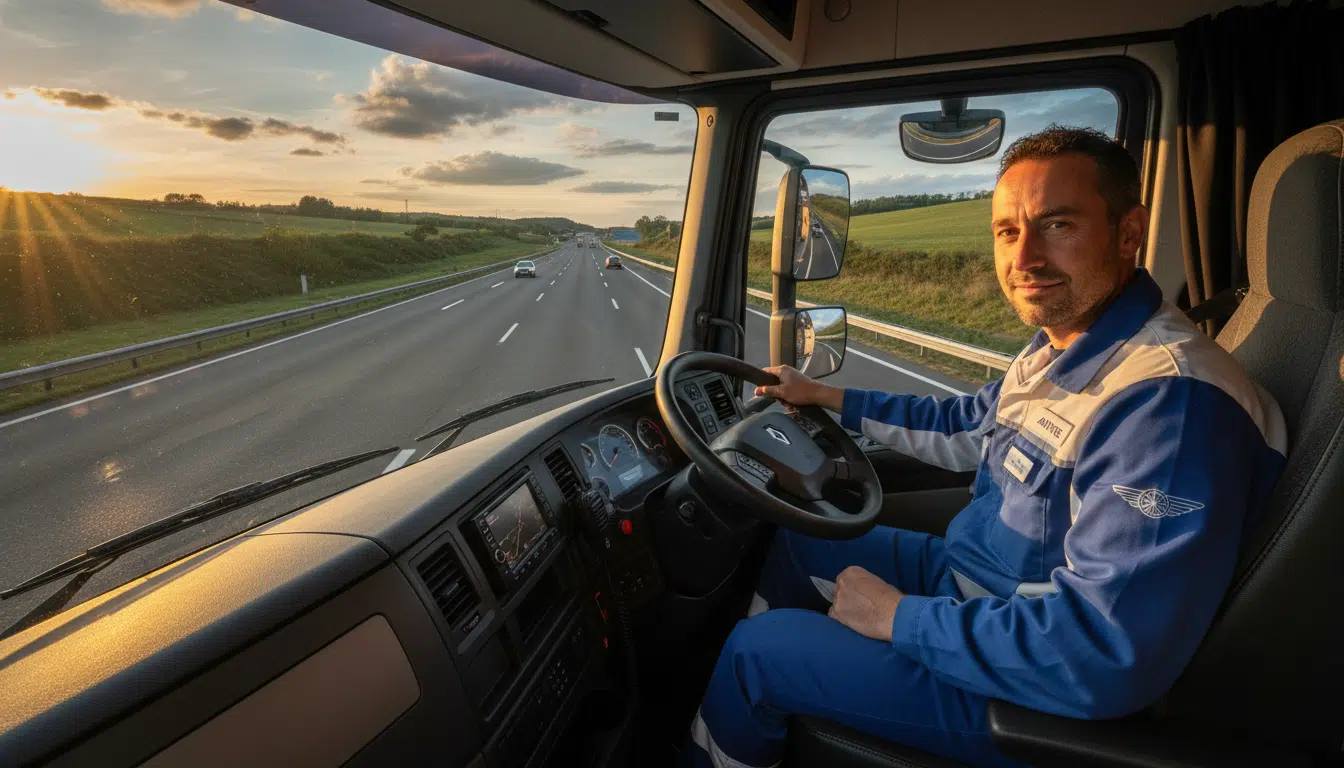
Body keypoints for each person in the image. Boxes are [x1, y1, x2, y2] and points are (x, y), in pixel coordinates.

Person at [684, 125, 1287, 768]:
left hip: (1031, 688)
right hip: (976, 586)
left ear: (1128, 233)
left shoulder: (1167, 406)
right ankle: (785, 713)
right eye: (1007, 232)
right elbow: (967, 424)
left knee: (758, 655)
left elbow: (1103, 652)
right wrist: (827, 397)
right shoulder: (1068, 344)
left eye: (1057, 225)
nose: (1024, 258)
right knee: (800, 537)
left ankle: (747, 710)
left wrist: (901, 621)